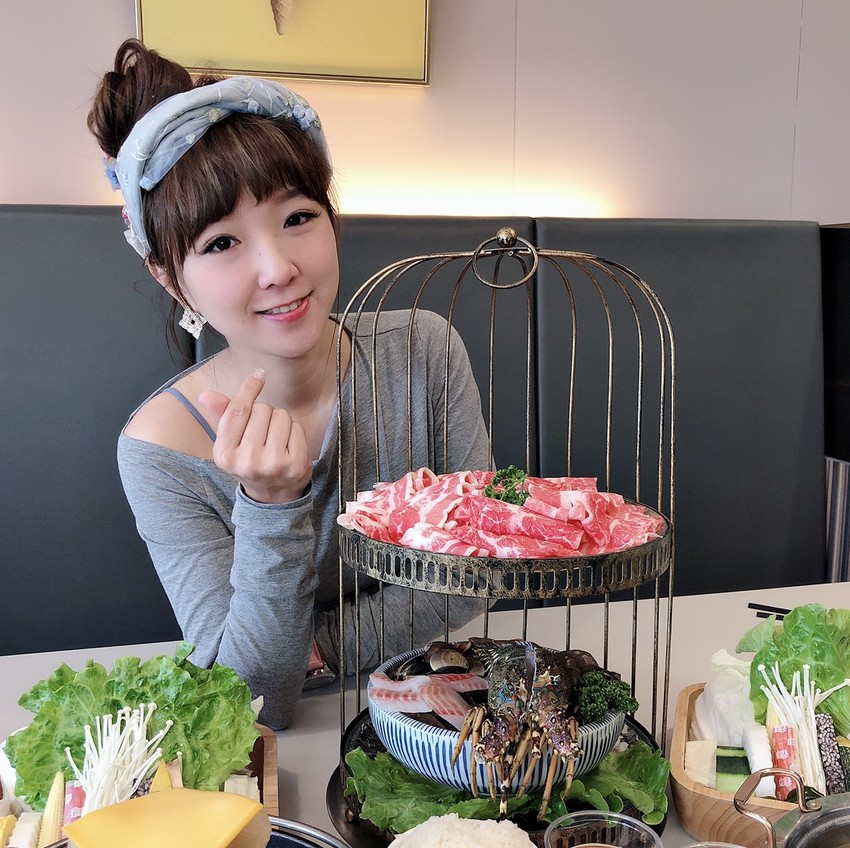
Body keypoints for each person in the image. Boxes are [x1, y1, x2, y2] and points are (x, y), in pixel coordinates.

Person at [88, 39, 491, 730]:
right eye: (221, 243)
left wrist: (318, 647)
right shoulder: (160, 450)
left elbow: (474, 572)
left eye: (297, 218)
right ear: (168, 276)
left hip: (430, 705)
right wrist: (271, 505)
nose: (277, 268)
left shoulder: (425, 350)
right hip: (283, 746)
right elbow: (250, 700)